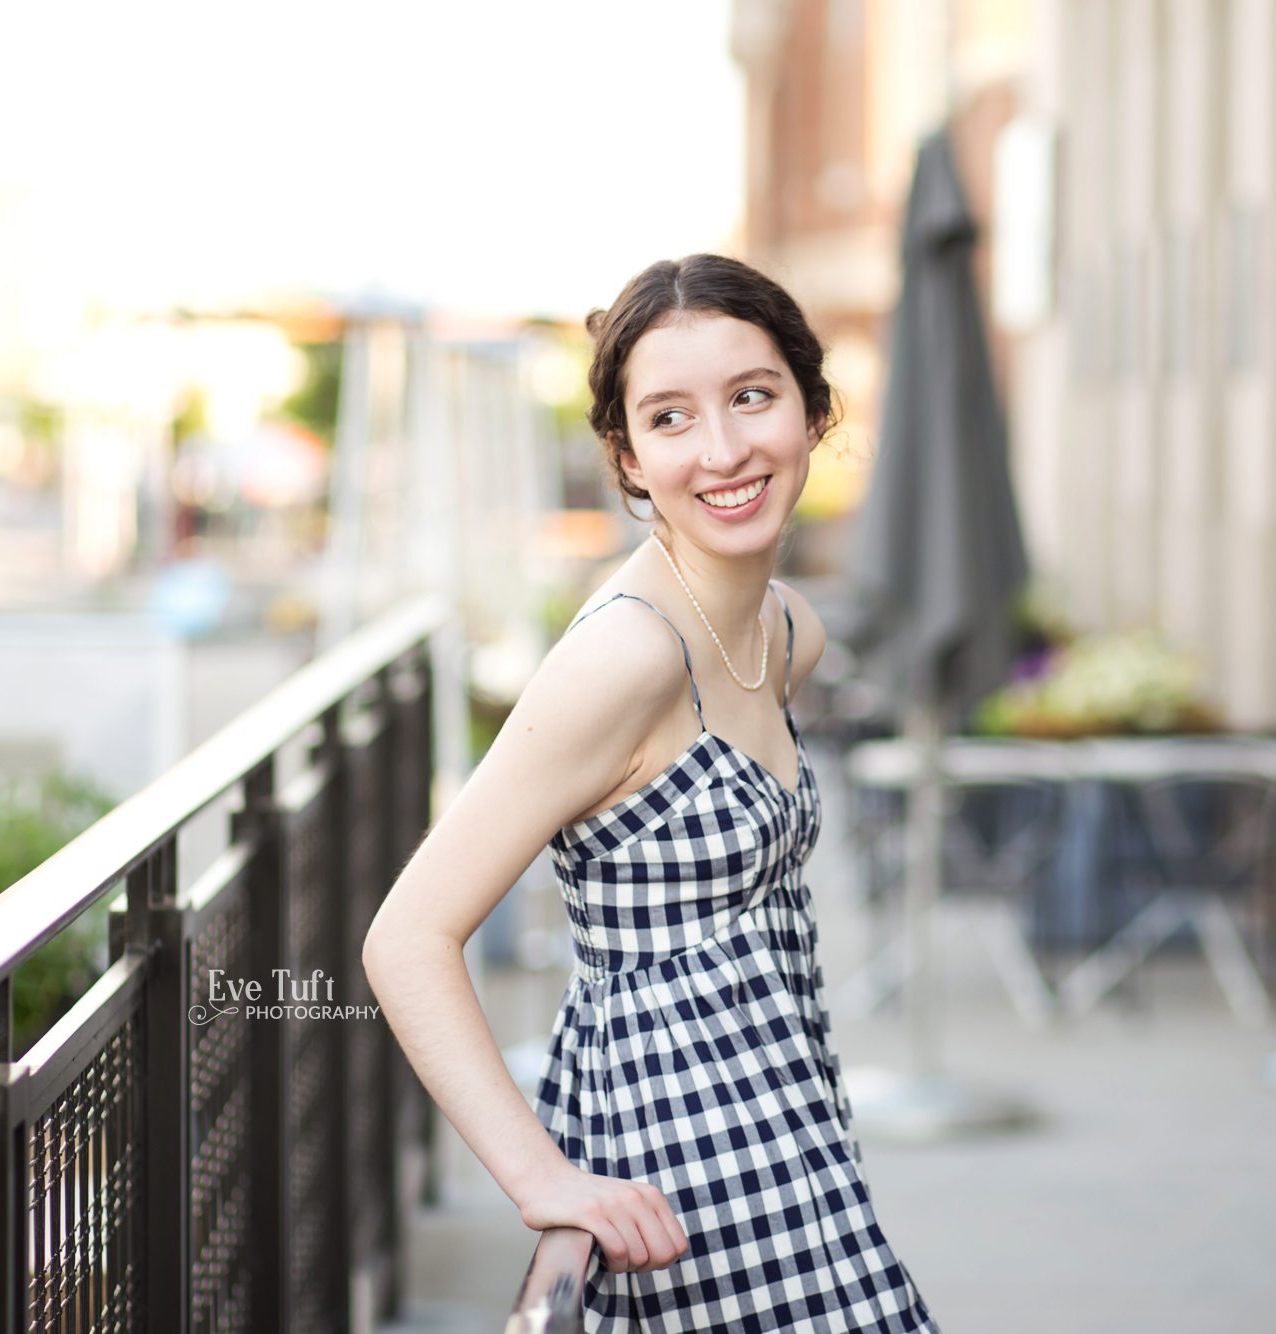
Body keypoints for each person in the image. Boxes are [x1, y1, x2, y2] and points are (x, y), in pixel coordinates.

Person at [362, 254, 941, 1331]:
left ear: (812, 409)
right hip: (675, 1167)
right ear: (627, 456)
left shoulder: (785, 629)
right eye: (670, 418)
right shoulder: (622, 657)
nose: (721, 450)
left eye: (751, 397)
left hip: (797, 1134)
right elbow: (406, 935)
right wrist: (541, 1180)